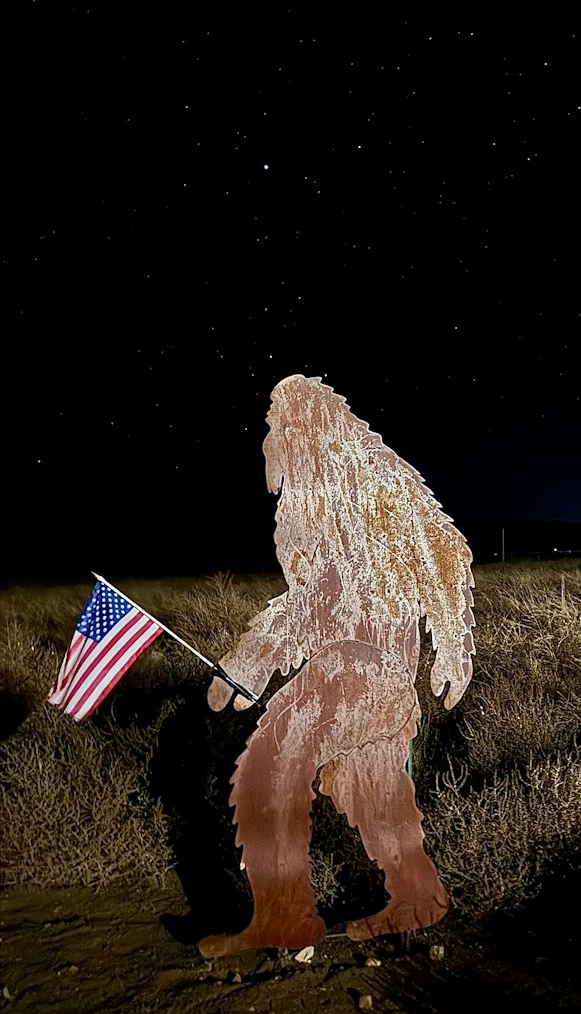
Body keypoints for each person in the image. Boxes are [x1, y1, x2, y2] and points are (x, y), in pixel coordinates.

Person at [198, 375, 475, 956]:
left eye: (276, 424)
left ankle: (284, 916)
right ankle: (419, 899)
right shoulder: (310, 504)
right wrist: (250, 662)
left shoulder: (370, 473)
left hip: (365, 671)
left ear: (305, 423)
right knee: (371, 790)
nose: (269, 437)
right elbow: (310, 603)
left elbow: (441, 544)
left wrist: (452, 640)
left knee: (272, 764)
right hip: (374, 679)